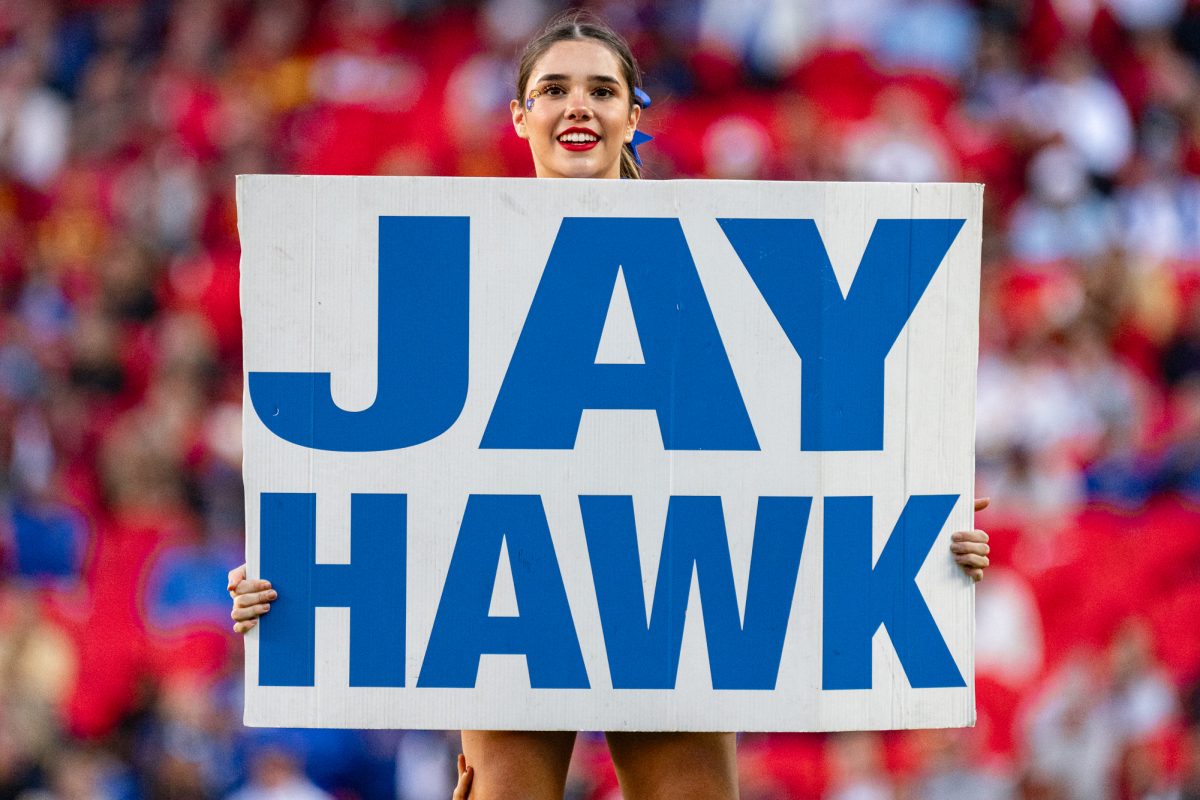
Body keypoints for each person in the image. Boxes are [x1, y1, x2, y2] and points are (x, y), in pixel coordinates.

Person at [229, 12, 994, 800]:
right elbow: (388, 458)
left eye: (603, 89)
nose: (579, 106)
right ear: (520, 115)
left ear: (636, 114)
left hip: (674, 586)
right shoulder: (456, 266)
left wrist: (916, 524)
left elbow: (792, 440)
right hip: (507, 589)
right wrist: (294, 560)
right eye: (553, 89)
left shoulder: (719, 256)